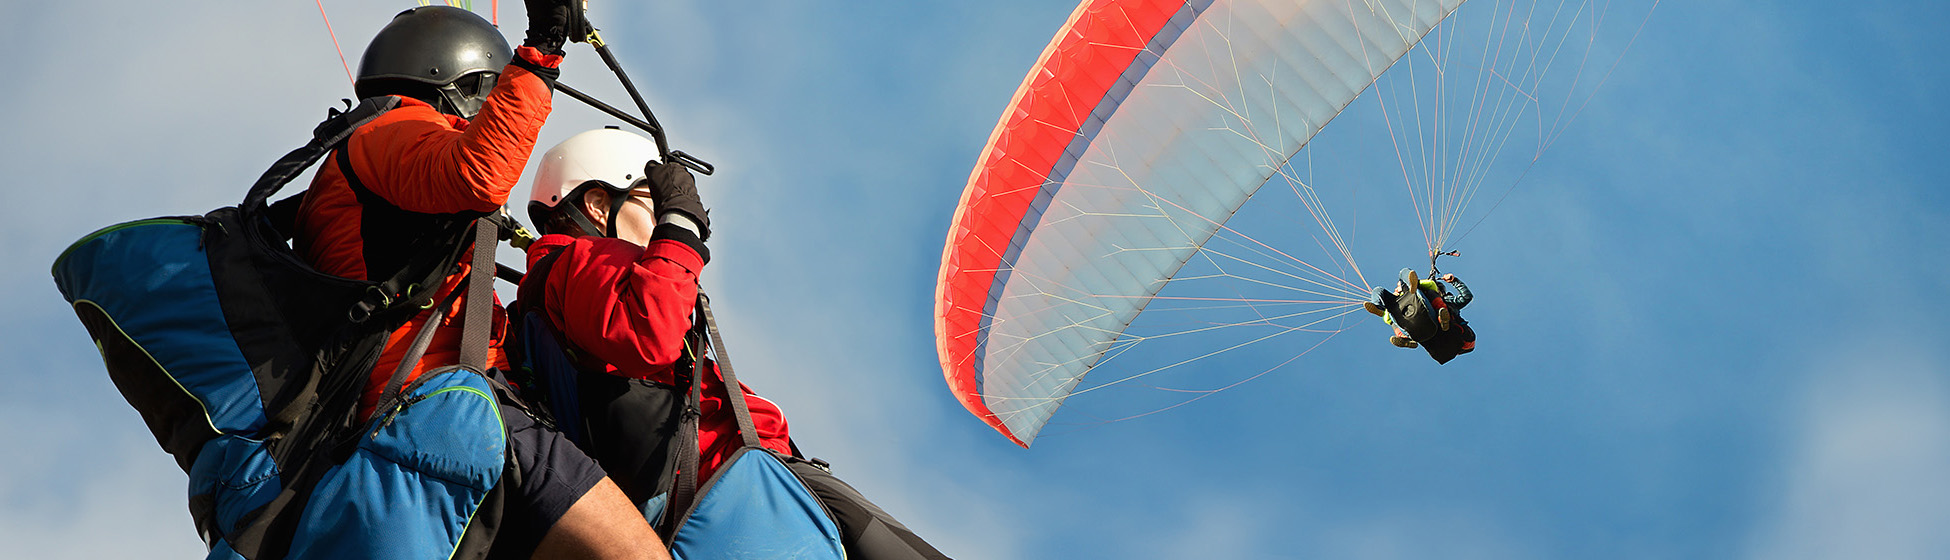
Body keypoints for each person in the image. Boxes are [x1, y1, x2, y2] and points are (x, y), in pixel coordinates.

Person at [291, 6, 668, 559]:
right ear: (461, 83)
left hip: (419, 410)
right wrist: (540, 52)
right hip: (442, 403)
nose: (481, 118)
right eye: (486, 100)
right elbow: (480, 173)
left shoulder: (360, 165)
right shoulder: (390, 132)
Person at [520, 128, 952, 559]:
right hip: (733, 489)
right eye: (655, 201)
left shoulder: (568, 289)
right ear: (598, 205)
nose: (662, 217)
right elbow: (649, 335)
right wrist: (680, 230)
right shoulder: (580, 262)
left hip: (737, 492)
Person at [1365, 269, 1476, 362]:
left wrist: (1454, 281)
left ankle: (1441, 318)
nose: (1396, 288)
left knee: (1404, 273)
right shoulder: (1396, 303)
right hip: (1414, 322)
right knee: (1378, 291)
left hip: (1436, 321)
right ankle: (1380, 308)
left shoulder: (1446, 299)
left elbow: (1466, 297)